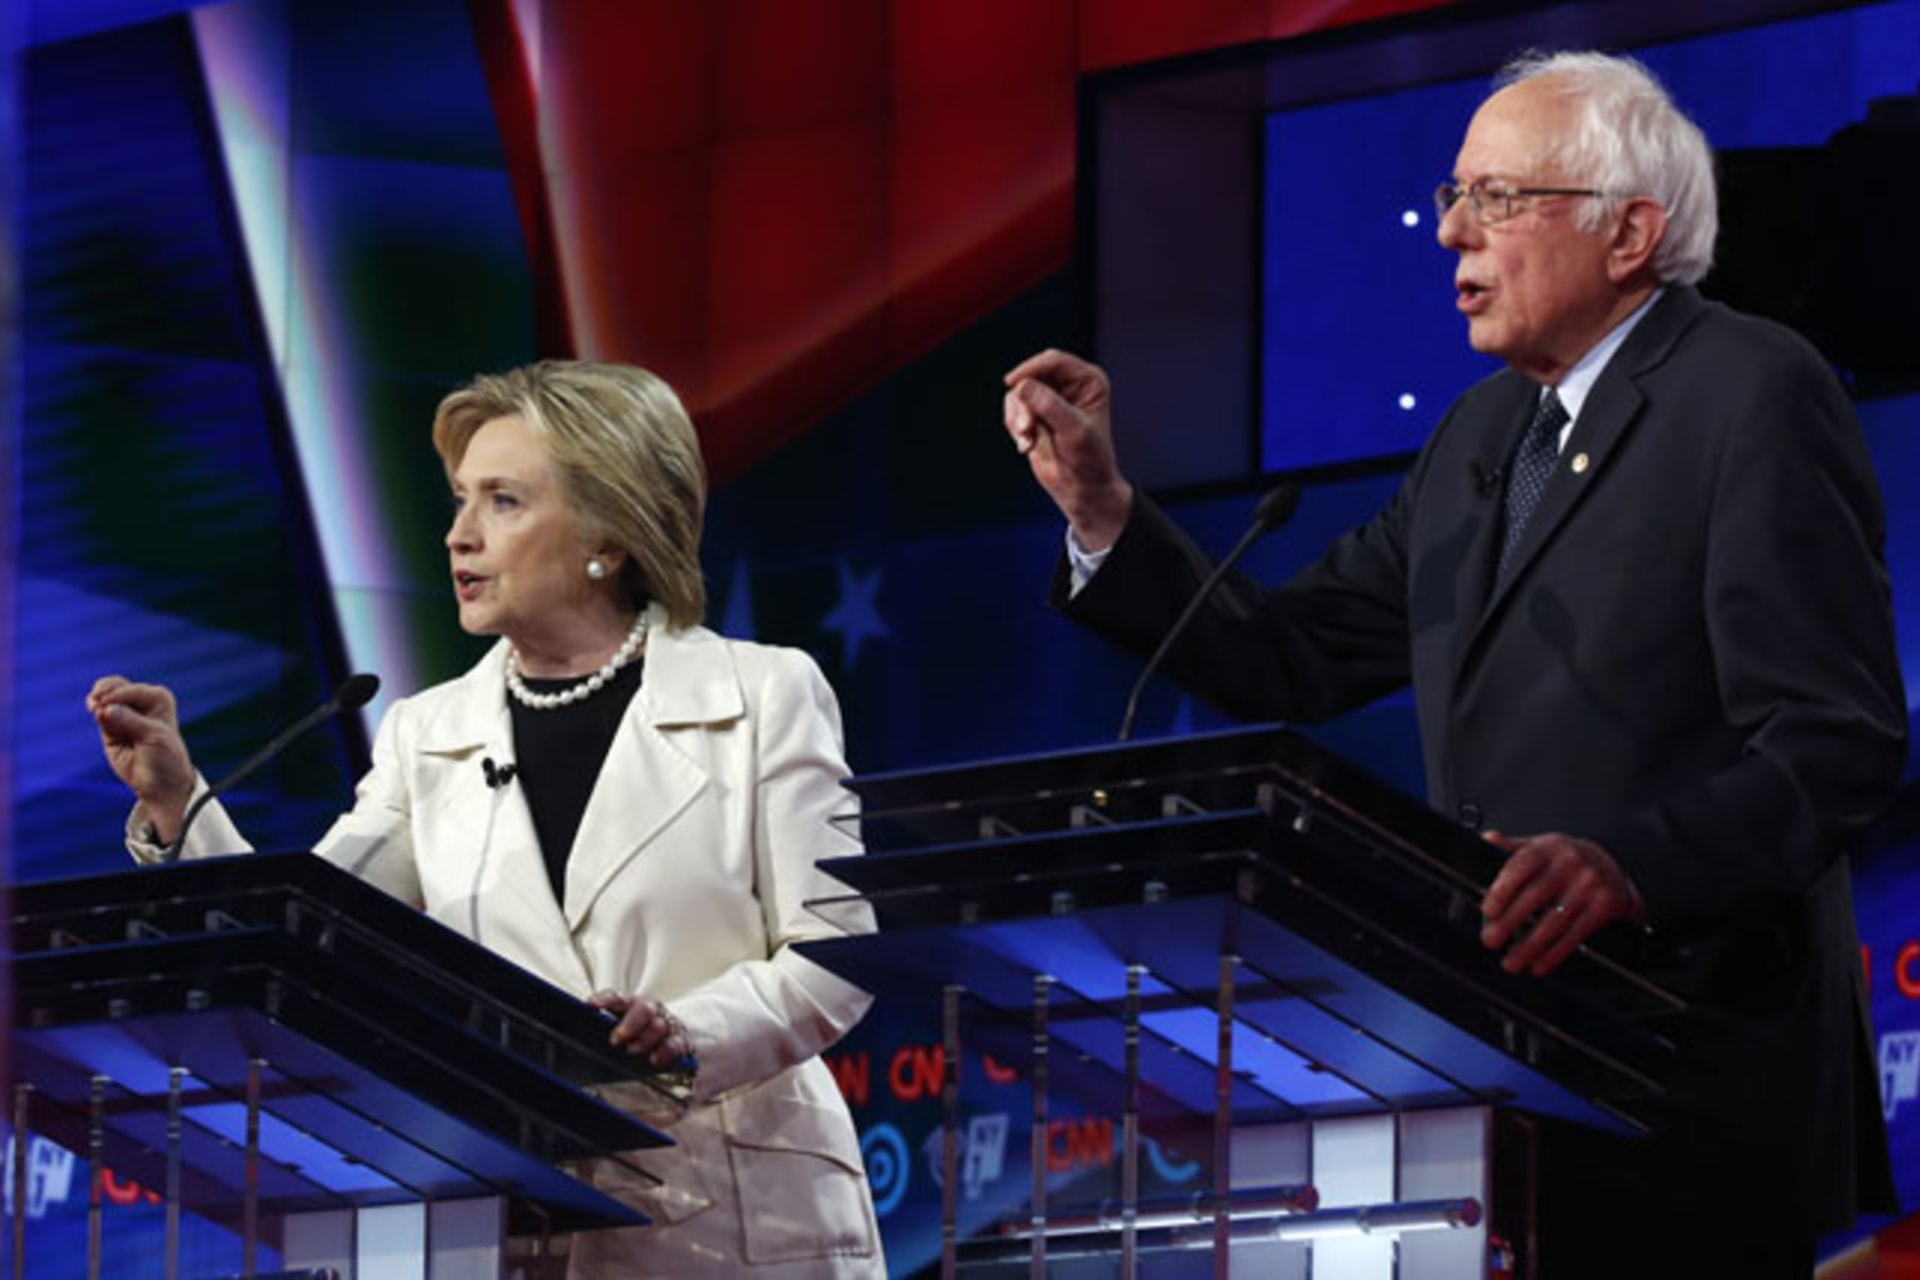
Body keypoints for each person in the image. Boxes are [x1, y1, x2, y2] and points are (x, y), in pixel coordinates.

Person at [1003, 50, 1906, 1279]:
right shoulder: (1481, 436)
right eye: (1453, 192)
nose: (1447, 230)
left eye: (1496, 196)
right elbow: (1292, 655)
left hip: (1692, 1074)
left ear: (1630, 231)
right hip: (1503, 1074)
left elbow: (1836, 737)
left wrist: (1631, 864)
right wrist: (1105, 508)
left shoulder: (1748, 390)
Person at [88, 360, 886, 1278]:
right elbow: (305, 942)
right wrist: (178, 802)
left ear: (608, 534)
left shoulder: (762, 694)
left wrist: (686, 1031)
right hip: (522, 1223)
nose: (459, 535)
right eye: (461, 499)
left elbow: (834, 953)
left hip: (742, 1222)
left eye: (502, 502)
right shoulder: (428, 734)